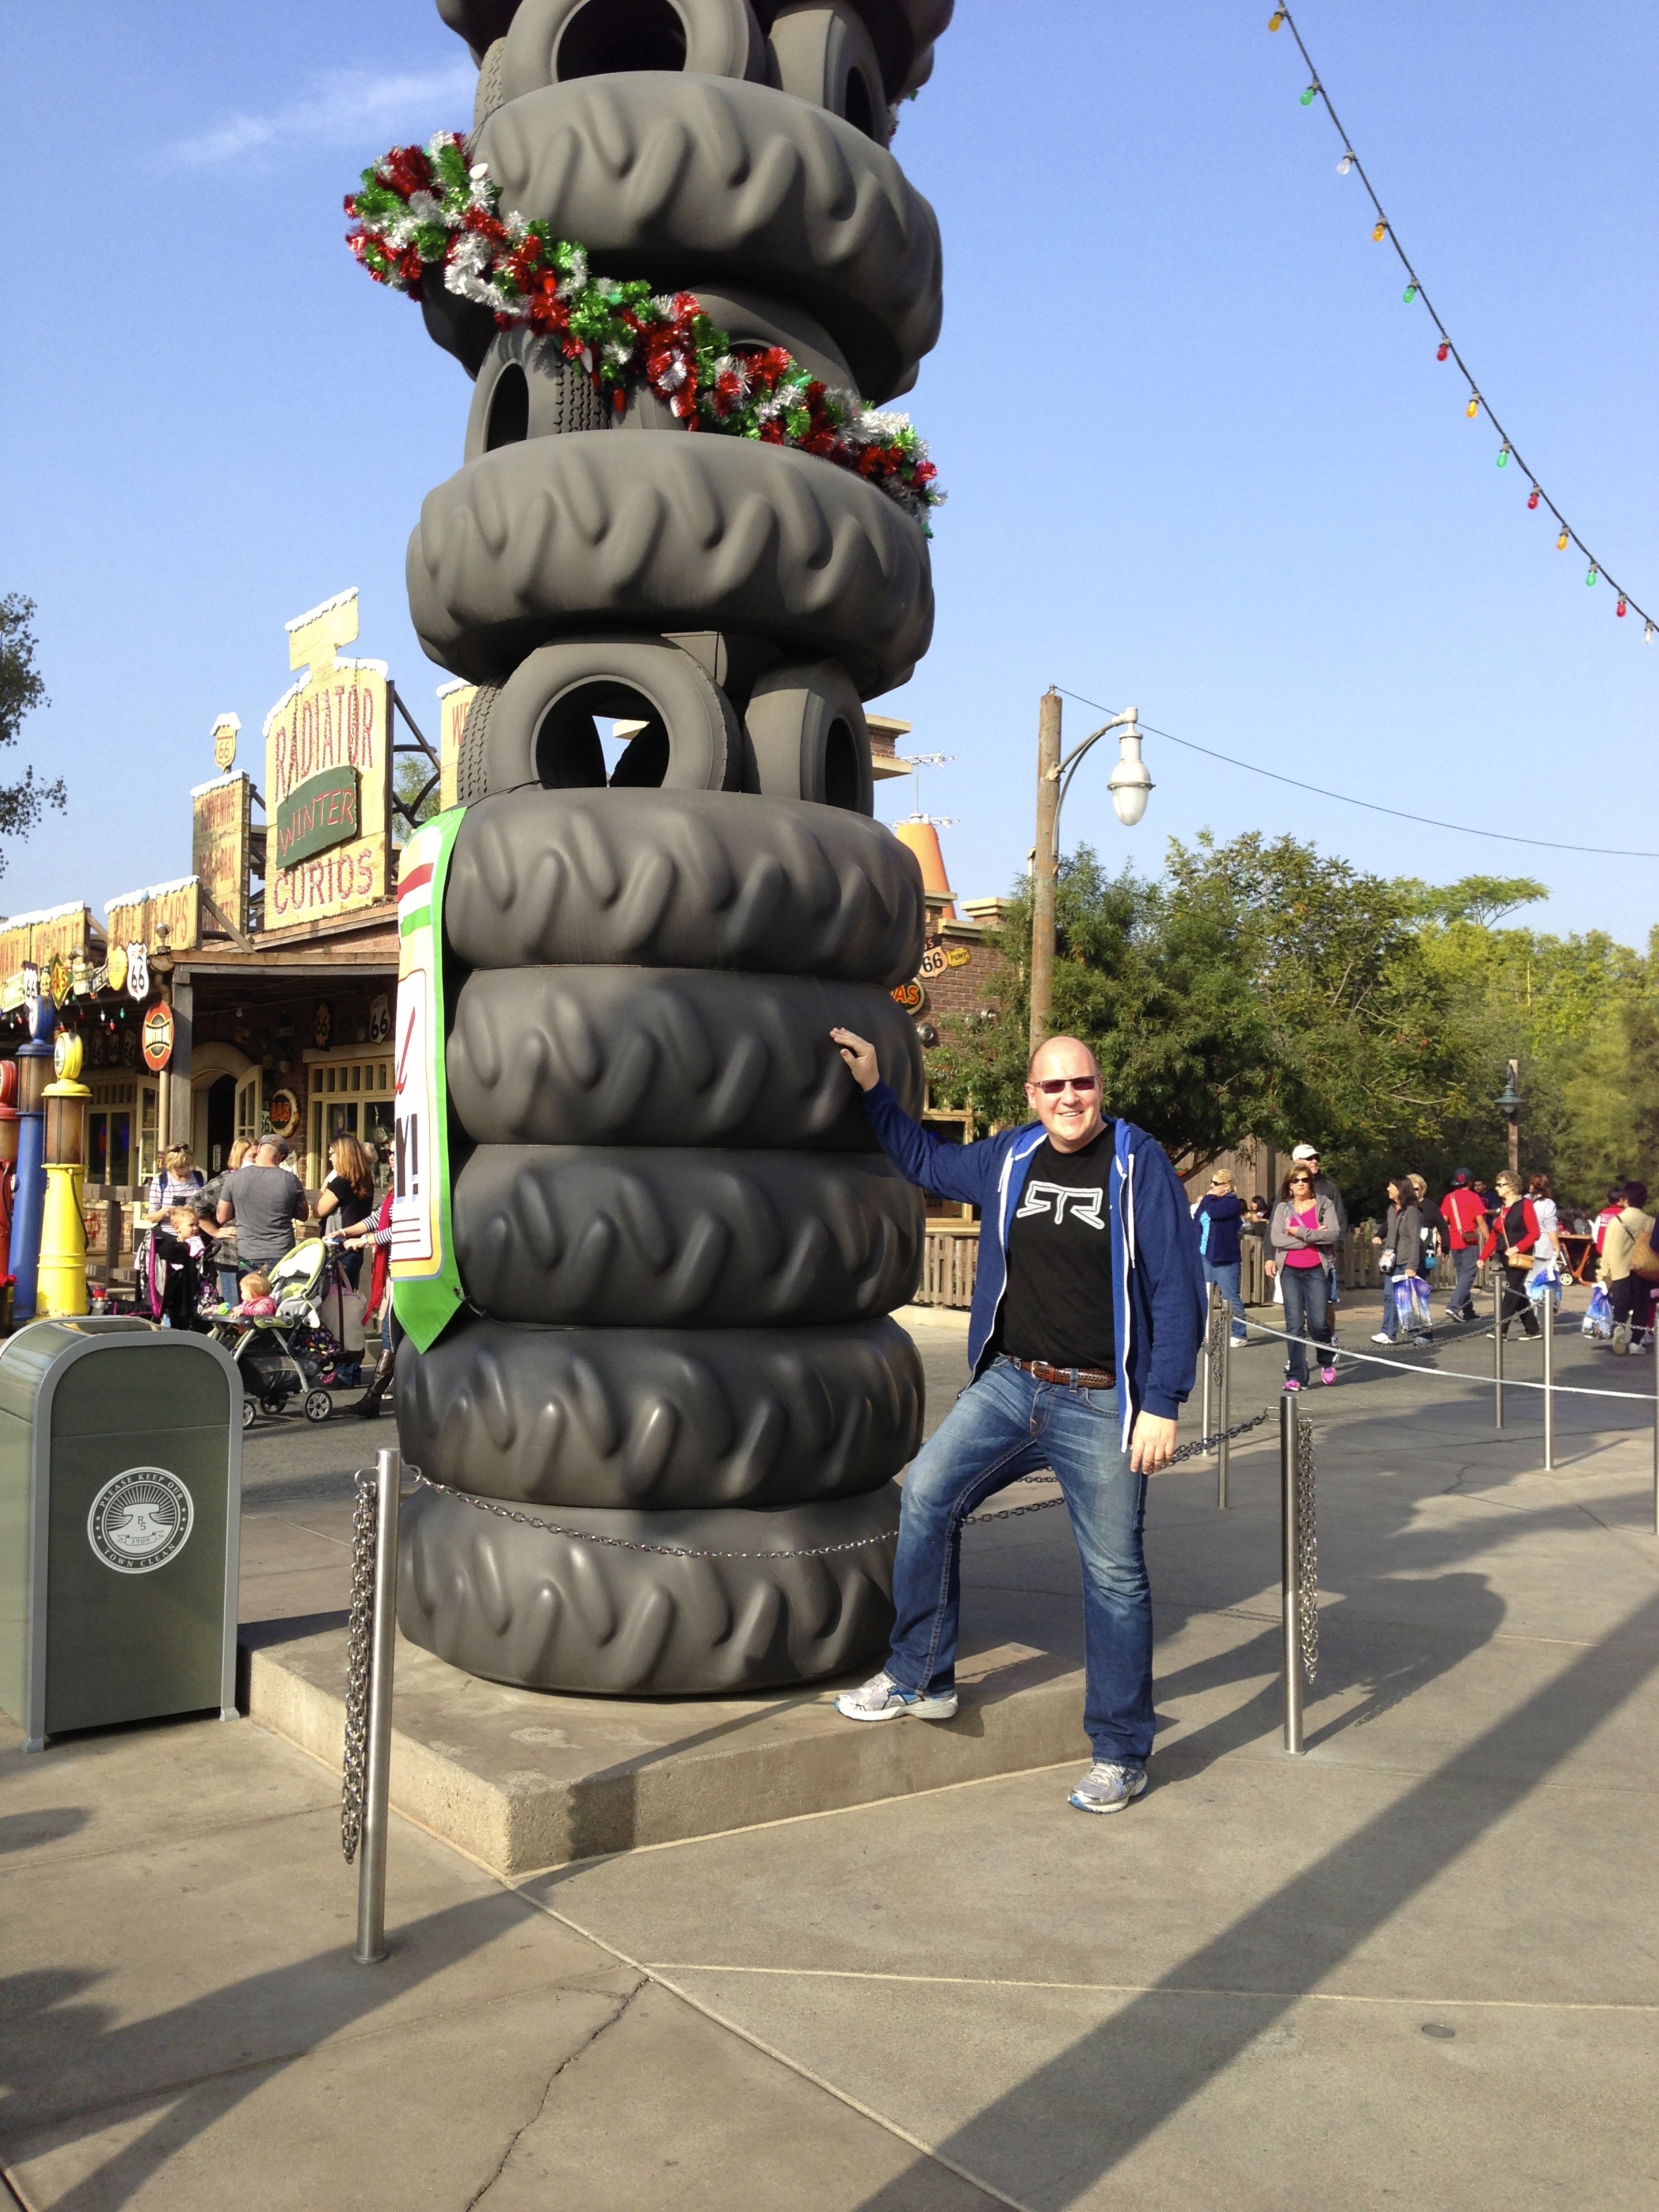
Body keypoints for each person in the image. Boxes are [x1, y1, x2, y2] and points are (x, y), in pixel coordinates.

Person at [825, 1025, 1203, 1818]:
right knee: (926, 1493)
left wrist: (1162, 1401)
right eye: (1054, 1087)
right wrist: (873, 1091)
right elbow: (927, 1161)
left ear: (1102, 1089)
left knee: (1114, 1578)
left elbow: (1175, 1287)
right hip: (1011, 1382)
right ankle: (920, 1675)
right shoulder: (1011, 1157)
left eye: (1083, 1084)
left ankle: (1121, 1750)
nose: (1071, 1098)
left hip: (1103, 1400)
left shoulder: (1139, 1165)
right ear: (1031, 1096)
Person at [1270, 1166, 1340, 1387]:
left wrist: (1299, 1232)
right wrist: (1313, 1237)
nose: (1301, 1184)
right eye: (1295, 1180)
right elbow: (1277, 1240)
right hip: (1290, 1270)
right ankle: (1296, 1377)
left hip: (1316, 1269)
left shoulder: (1324, 1205)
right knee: (1294, 1325)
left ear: (1310, 1183)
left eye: (1305, 1180)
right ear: (1289, 1185)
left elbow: (1332, 1234)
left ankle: (1326, 1360)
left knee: (1319, 1322)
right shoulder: (1283, 1208)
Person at [216, 1137, 308, 1280]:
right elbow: (304, 1215)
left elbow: (222, 1217)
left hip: (248, 1253)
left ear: (259, 1150)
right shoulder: (290, 1180)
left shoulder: (234, 1178)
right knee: (279, 1299)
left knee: (251, 1300)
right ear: (282, 1157)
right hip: (282, 1252)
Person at [342, 1186, 399, 1416]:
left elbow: (405, 1229)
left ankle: (373, 1398)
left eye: (396, 1153)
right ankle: (374, 1398)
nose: (393, 1158)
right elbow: (377, 1218)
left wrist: (367, 1240)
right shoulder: (397, 1192)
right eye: (391, 1154)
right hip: (394, 1273)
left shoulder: (416, 1189)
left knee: (391, 1334)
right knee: (393, 1334)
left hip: (410, 1273)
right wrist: (346, 1233)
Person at [1291, 1144, 1347, 1343]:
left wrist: (1336, 1247)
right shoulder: (1288, 1189)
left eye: (1316, 1158)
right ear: (1298, 1162)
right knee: (1295, 1308)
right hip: (1293, 1257)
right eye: (1309, 1158)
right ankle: (1297, 1353)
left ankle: (1329, 1341)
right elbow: (1277, 1222)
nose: (1315, 1161)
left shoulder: (1328, 1188)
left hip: (1323, 1255)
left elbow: (1340, 1220)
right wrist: (1271, 1255)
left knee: (1326, 1303)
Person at [1479, 1171, 1542, 1340]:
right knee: (1518, 1290)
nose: (1497, 1188)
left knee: (1512, 1290)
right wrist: (1483, 1257)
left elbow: (1534, 1233)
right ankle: (1532, 1329)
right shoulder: (1502, 1209)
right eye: (1497, 1185)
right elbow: (1495, 1235)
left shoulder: (1525, 1205)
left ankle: (1502, 1329)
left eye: (1501, 1185)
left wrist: (1517, 1247)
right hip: (1505, 1255)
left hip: (1520, 1255)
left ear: (1512, 1186)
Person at [1372, 1174, 1433, 1345]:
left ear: (1400, 1189)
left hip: (1407, 1261)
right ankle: (1388, 1333)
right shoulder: (1392, 1210)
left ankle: (1424, 1334)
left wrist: (1413, 1265)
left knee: (1412, 1300)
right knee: (1389, 1296)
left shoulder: (1413, 1212)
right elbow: (1391, 1233)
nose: (1388, 1189)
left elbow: (1415, 1239)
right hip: (1393, 1261)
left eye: (1391, 1186)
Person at [1597, 1181, 1655, 1354]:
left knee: (1620, 1305)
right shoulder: (1650, 1222)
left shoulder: (1616, 1222)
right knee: (1641, 1307)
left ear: (1625, 1199)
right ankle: (1636, 1343)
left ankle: (1619, 1328)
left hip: (1620, 1270)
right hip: (1642, 1271)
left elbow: (1607, 1250)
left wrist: (1603, 1273)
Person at [1194, 1167, 1248, 1345]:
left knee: (1230, 1296)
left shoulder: (1232, 1202)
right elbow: (1197, 1219)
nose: (1212, 1186)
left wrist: (1208, 1197)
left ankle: (1239, 1334)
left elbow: (1216, 1213)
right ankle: (1204, 1333)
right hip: (1204, 1255)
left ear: (1227, 1186)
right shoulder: (1208, 1202)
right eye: (1212, 1182)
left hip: (1225, 1258)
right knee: (1204, 1296)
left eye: (1216, 1183)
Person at [316, 1134, 376, 1288]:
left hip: (338, 1251)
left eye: (332, 1154)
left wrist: (326, 1182)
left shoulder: (341, 1183)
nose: (330, 1159)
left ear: (342, 1154)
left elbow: (318, 1211)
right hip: (354, 1249)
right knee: (347, 1298)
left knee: (334, 1302)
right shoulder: (365, 1179)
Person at [1439, 1169, 1488, 1324]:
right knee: (1469, 1275)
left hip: (1454, 1241)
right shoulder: (1474, 1197)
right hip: (1469, 1241)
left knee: (1462, 1276)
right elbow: (1481, 1222)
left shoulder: (1449, 1198)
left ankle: (1469, 1311)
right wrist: (1490, 1240)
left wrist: (1442, 1240)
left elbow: (1443, 1220)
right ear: (1470, 1182)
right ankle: (1454, 1306)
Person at [150, 1204, 206, 1330]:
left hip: (190, 1293)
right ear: (177, 1228)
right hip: (174, 1296)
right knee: (172, 1326)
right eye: (191, 1225)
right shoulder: (173, 1247)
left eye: (197, 1224)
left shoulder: (196, 1244)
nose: (196, 1228)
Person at [147, 1144, 205, 1213]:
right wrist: (164, 1212)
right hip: (169, 1223)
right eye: (180, 1167)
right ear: (171, 1165)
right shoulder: (160, 1181)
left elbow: (207, 1206)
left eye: (188, 1165)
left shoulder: (198, 1178)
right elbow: (151, 1216)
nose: (185, 1170)